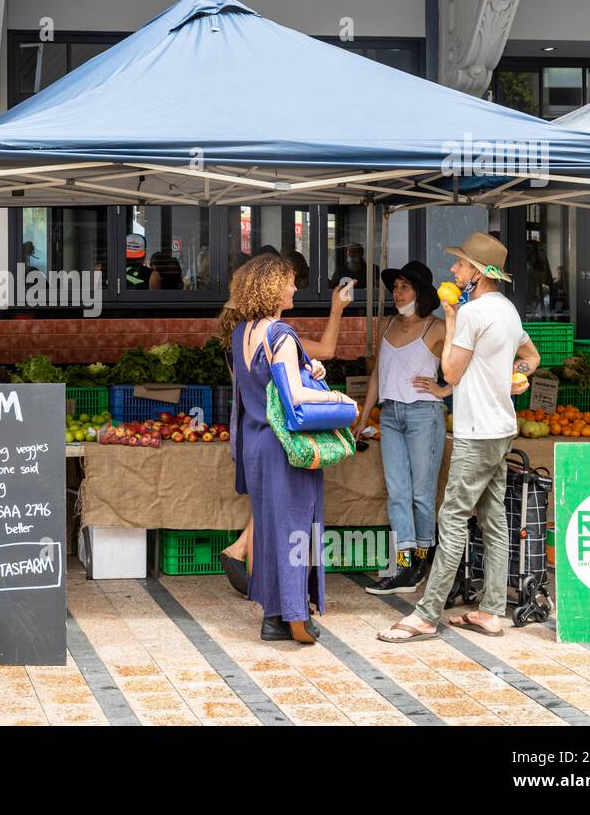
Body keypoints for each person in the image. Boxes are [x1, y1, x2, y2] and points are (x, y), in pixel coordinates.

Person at [378, 233, 540, 643]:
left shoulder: (470, 313)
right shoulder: (507, 310)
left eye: (461, 264)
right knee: (493, 520)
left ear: (480, 272)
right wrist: (516, 377)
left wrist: (451, 317)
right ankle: (489, 611)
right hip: (501, 428)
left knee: (452, 519)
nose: (454, 270)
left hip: (476, 432)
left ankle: (427, 614)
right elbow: (532, 357)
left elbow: (449, 373)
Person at [231, 253, 357, 644]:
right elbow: (293, 396)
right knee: (296, 530)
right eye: (288, 281)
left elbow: (262, 382)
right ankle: (296, 616)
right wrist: (337, 398)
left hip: (255, 444)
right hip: (285, 447)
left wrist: (308, 369)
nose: (294, 288)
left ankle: (273, 617)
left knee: (269, 532)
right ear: (272, 286)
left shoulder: (241, 332)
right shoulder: (280, 333)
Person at [354, 260, 450, 594]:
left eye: (404, 287)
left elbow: (466, 363)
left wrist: (443, 389)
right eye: (394, 287)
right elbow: (378, 375)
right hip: (391, 415)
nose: (396, 292)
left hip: (425, 414)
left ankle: (423, 560)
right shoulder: (388, 324)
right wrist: (365, 417)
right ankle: (405, 565)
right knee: (398, 492)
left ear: (421, 293)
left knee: (422, 494)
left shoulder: (437, 328)